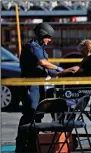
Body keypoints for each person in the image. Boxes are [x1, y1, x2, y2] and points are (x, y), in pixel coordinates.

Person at [15, 23, 64, 152]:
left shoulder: (41, 48)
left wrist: (65, 72)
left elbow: (48, 69)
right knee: (29, 115)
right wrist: (58, 67)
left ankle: (31, 145)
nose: (50, 40)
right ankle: (20, 146)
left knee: (37, 116)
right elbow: (43, 63)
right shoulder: (32, 47)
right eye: (48, 37)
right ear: (42, 35)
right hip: (31, 86)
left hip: (40, 86)